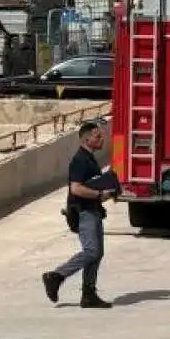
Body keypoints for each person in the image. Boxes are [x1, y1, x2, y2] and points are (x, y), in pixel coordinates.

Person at [42, 121, 114, 308]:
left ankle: (88, 294)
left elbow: (88, 186)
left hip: (93, 211)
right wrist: (99, 194)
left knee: (96, 254)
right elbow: (76, 189)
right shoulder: (80, 160)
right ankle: (56, 276)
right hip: (84, 212)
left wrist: (108, 192)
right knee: (92, 252)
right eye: (98, 136)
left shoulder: (89, 159)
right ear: (86, 139)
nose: (102, 139)